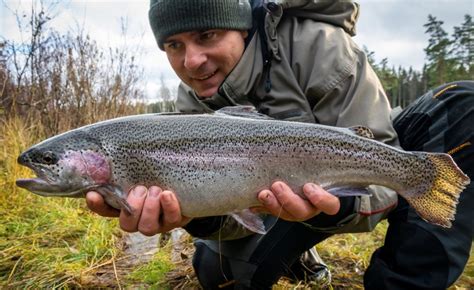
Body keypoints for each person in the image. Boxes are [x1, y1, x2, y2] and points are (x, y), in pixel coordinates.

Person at [86, 1, 473, 289]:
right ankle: (300, 256)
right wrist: (194, 214)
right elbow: (231, 218)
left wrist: (332, 209)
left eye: (207, 36)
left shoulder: (319, 45)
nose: (192, 61)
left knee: (463, 104)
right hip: (276, 203)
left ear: (242, 28)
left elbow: (379, 169)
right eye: (173, 45)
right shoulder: (191, 102)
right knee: (218, 275)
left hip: (356, 179)